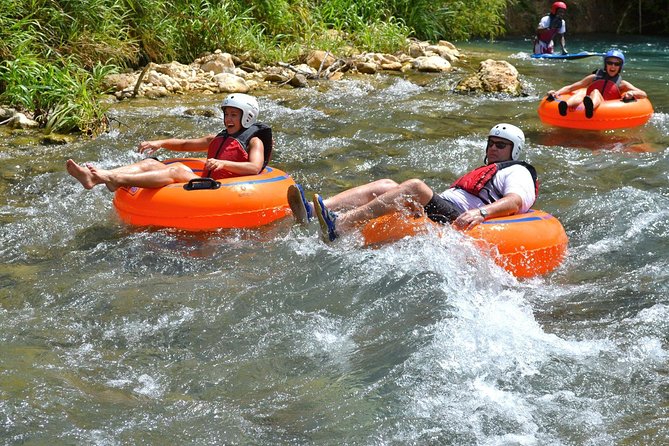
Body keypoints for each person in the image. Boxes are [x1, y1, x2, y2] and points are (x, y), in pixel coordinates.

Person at [287, 124, 538, 243]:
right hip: (445, 208)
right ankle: (311, 210)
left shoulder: (517, 171)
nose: (493, 148)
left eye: (501, 145)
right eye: (491, 143)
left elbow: (515, 201)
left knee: (415, 187)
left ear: (514, 150)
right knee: (386, 184)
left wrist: (482, 212)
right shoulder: (488, 169)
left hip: (460, 216)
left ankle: (339, 226)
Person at [66, 93, 272, 191]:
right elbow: (184, 144)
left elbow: (254, 167)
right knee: (150, 163)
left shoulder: (254, 141)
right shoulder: (218, 138)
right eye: (227, 114)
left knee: (176, 170)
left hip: (225, 188)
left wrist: (224, 164)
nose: (228, 119)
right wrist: (160, 143)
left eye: (234, 115)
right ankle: (100, 177)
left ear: (247, 116)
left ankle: (110, 179)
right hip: (206, 184)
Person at [547, 49, 648, 118]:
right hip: (588, 101)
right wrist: (556, 93)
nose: (613, 66)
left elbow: (643, 94)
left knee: (595, 92)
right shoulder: (594, 77)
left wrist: (632, 93)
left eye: (616, 64)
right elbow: (571, 88)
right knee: (582, 92)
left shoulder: (622, 84)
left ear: (620, 67)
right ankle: (566, 105)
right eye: (609, 63)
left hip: (607, 108)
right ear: (605, 64)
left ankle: (590, 108)